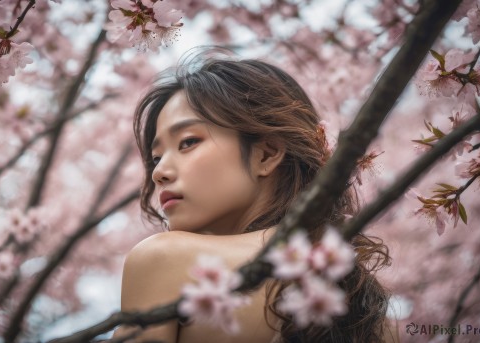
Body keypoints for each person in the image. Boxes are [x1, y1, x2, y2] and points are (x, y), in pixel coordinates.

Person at [113, 50, 394, 342]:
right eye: (156, 158)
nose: (159, 173)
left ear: (267, 154)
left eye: (188, 142)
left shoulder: (165, 259)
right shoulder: (370, 309)